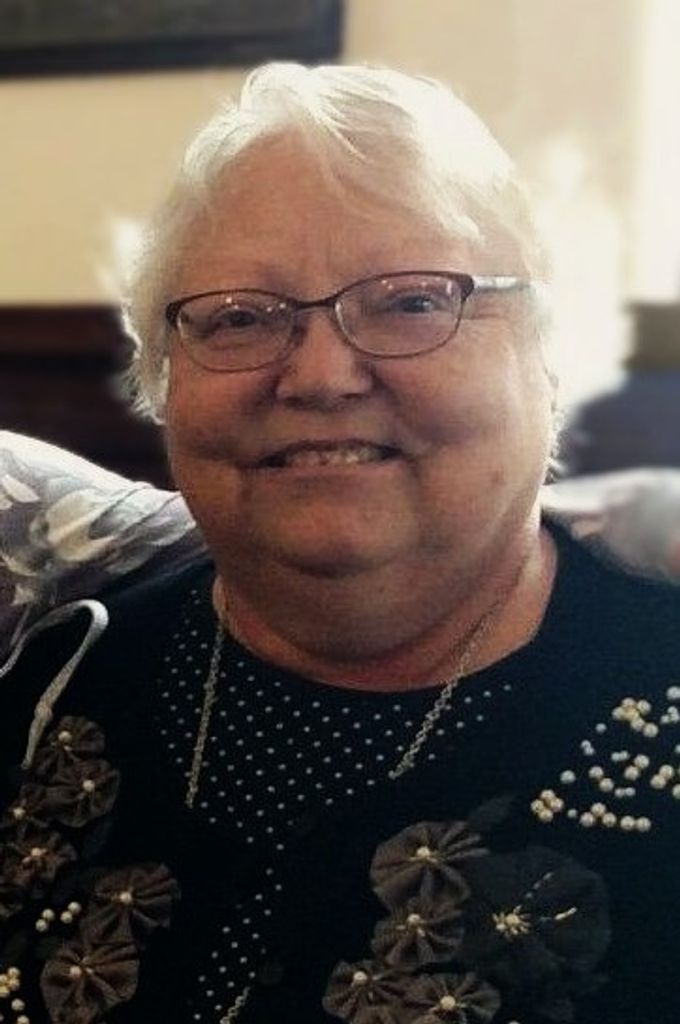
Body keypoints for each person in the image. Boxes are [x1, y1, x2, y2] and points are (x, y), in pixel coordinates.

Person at [1, 64, 679, 1024]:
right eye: (240, 318)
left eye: (412, 301)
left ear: (546, 353)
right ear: (165, 379)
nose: (320, 376)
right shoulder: (58, 675)